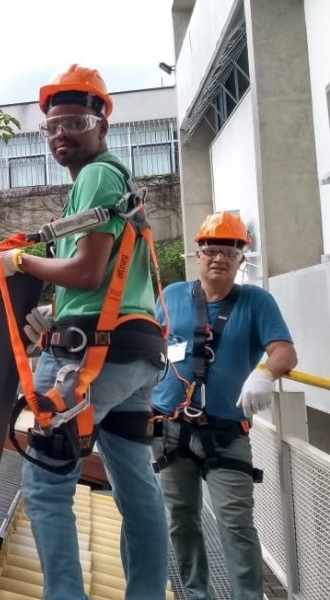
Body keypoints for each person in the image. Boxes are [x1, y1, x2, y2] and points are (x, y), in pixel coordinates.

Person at [0, 64, 169, 599]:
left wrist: (20, 264)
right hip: (134, 356)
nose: (61, 134)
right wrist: (55, 316)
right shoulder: (118, 185)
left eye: (75, 122)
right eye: (52, 126)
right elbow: (99, 282)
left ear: (101, 125)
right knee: (134, 484)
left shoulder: (97, 176)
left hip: (94, 357)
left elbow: (86, 271)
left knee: (45, 478)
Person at [151, 211, 298, 600]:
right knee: (180, 520)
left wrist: (264, 372)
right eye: (211, 250)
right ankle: (197, 594)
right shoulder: (171, 297)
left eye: (228, 252)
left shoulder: (255, 302)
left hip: (227, 434)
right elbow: (147, 343)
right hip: (171, 431)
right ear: (197, 255)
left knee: (235, 524)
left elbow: (284, 351)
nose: (219, 258)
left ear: (240, 260)